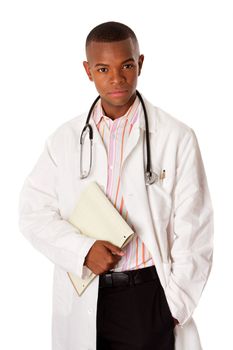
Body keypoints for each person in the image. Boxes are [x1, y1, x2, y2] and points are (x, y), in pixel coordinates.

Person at [19, 21, 213, 350]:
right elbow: (32, 213)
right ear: (87, 70)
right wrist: (82, 251)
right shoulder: (64, 140)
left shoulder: (176, 137)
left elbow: (195, 228)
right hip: (84, 294)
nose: (117, 78)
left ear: (140, 63)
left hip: (148, 297)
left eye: (126, 65)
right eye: (103, 68)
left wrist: (174, 307)